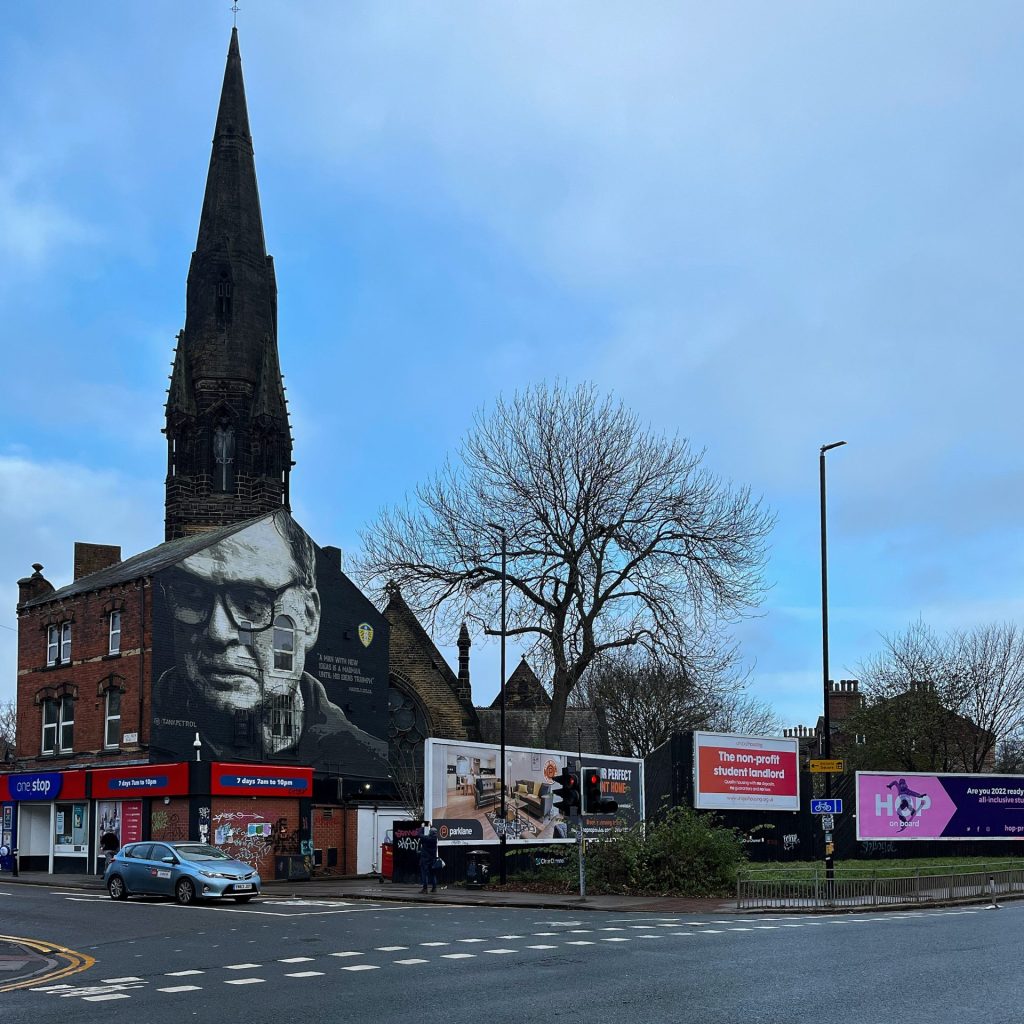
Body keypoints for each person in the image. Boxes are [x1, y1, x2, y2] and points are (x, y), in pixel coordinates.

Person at [153, 511, 388, 774]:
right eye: (192, 595)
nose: (218, 632)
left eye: (251, 602)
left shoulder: (368, 759)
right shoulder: (155, 734)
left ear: (308, 617)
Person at [418, 821, 439, 894]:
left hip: (425, 859)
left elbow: (420, 835)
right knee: (433, 874)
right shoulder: (435, 839)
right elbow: (433, 832)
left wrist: (422, 827)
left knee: (424, 874)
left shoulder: (427, 839)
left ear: (430, 833)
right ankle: (434, 888)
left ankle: (425, 889)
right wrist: (431, 825)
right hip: (432, 859)